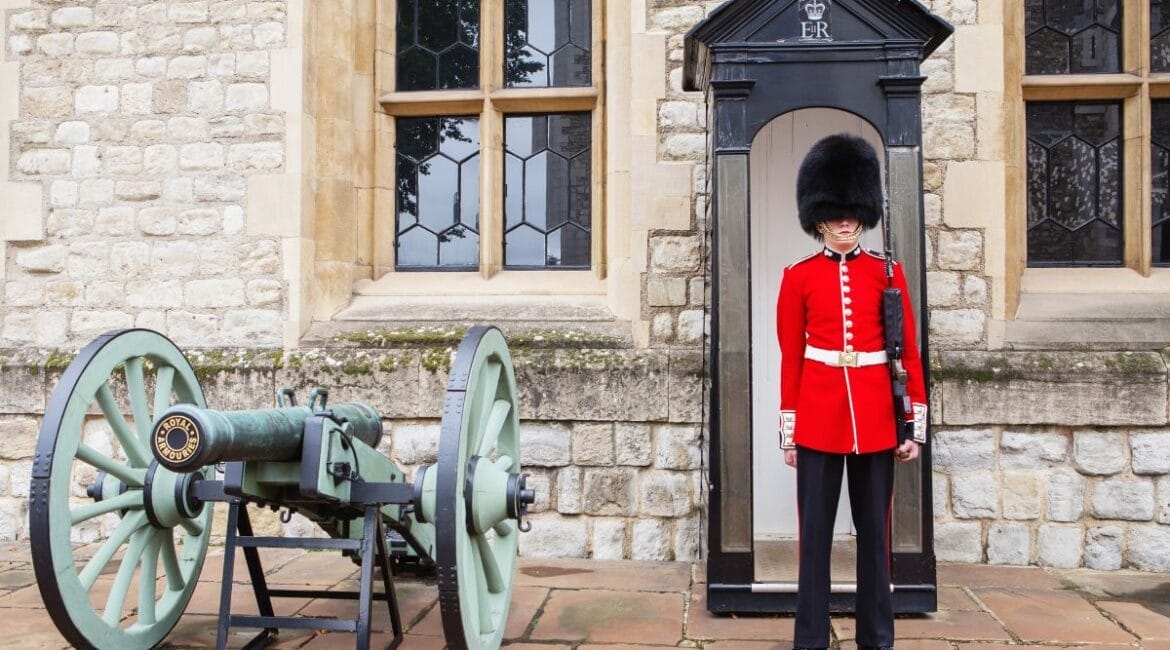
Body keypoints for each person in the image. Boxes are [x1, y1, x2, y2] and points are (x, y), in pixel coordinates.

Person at [776, 133, 927, 650]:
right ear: (818, 218)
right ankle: (810, 638)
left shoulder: (890, 273)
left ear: (863, 213)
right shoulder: (797, 277)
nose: (844, 223)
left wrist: (914, 426)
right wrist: (789, 431)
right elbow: (791, 358)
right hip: (818, 417)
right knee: (814, 539)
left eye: (851, 214)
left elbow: (908, 354)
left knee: (874, 539)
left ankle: (876, 638)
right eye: (834, 215)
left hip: (877, 418)